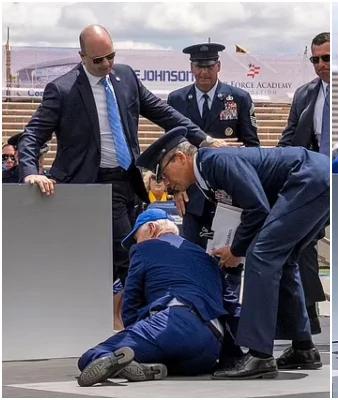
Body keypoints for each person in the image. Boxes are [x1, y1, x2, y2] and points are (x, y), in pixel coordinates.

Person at [16, 24, 221, 329]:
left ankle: (125, 321)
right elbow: (32, 135)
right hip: (92, 184)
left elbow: (165, 114)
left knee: (120, 255)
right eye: (98, 60)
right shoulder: (62, 89)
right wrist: (31, 173)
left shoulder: (126, 78)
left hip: (129, 181)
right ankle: (151, 325)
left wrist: (204, 139)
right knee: (131, 254)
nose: (107, 64)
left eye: (111, 56)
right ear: (82, 57)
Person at [136, 126, 329, 379]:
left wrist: (237, 250)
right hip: (314, 177)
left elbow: (257, 208)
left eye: (164, 173)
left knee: (262, 256)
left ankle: (260, 355)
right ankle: (303, 347)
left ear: (181, 158)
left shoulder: (215, 161)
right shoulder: (207, 174)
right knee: (284, 260)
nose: (167, 184)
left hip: (307, 178)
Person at [167, 42, 260, 366]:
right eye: (198, 66)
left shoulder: (238, 98)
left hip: (229, 201)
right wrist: (175, 189)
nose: (203, 72)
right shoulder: (177, 100)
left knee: (228, 268)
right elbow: (171, 152)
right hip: (193, 200)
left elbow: (253, 147)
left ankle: (233, 347)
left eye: (209, 66)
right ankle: (201, 337)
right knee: (194, 265)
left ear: (219, 67)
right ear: (191, 69)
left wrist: (231, 151)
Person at [76, 208, 227, 387]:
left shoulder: (144, 249)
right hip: (211, 344)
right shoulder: (206, 256)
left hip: (172, 323)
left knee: (92, 356)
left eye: (137, 237)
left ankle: (117, 362)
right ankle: (146, 367)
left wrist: (134, 333)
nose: (136, 242)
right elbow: (230, 304)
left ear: (152, 229)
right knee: (170, 360)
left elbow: (131, 302)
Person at [277, 32, 331, 335]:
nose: (321, 64)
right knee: (304, 242)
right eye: (315, 59)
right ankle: (308, 315)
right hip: (313, 179)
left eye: (327, 57)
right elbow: (290, 136)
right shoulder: (304, 94)